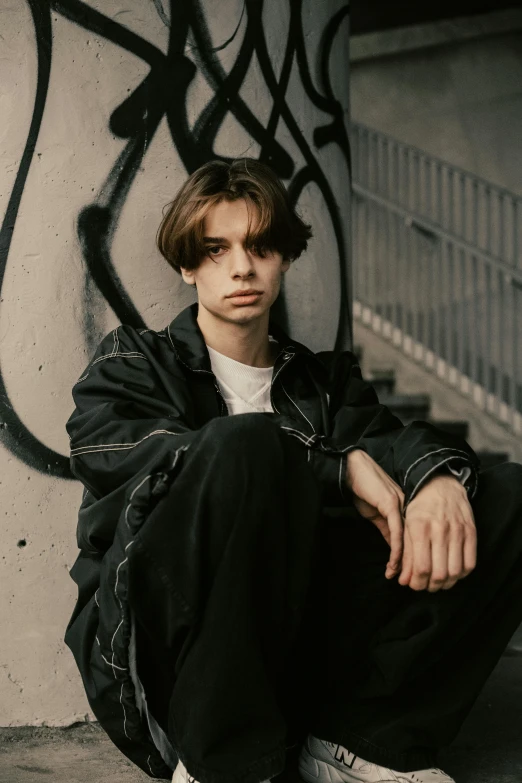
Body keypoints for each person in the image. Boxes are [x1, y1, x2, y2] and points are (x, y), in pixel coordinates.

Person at [64, 158, 522, 783]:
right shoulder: (134, 366)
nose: (242, 267)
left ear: (284, 257)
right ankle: (225, 766)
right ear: (187, 265)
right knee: (241, 449)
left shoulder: (324, 382)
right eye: (216, 249)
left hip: (304, 655)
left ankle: (360, 742)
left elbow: (392, 441)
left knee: (508, 496)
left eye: (260, 246)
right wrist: (330, 470)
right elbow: (147, 464)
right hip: (182, 667)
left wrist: (438, 479)